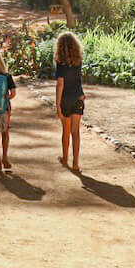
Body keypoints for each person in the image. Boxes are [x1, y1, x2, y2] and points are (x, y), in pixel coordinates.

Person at [54, 31, 85, 172]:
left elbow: (60, 84)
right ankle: (76, 163)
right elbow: (78, 80)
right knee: (76, 132)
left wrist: (58, 105)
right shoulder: (78, 61)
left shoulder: (60, 64)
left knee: (66, 131)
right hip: (78, 97)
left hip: (65, 99)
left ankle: (65, 158)